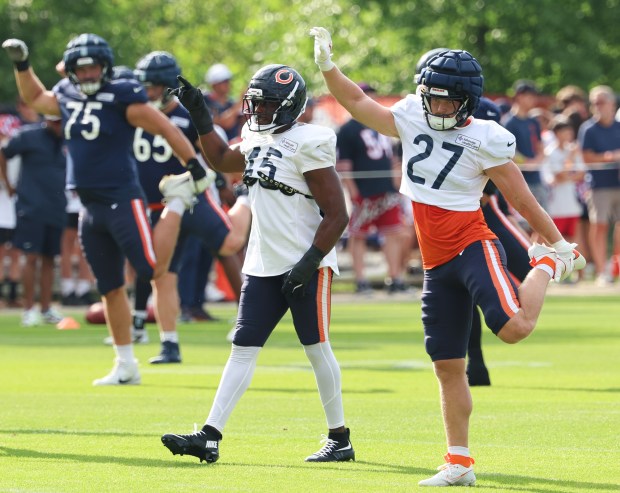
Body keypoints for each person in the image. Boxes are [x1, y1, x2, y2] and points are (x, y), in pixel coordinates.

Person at [310, 28, 585, 486]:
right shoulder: (410, 117)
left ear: (466, 101)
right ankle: (459, 462)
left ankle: (544, 268)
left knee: (514, 329)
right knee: (447, 364)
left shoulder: (488, 137)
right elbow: (358, 104)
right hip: (436, 265)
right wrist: (327, 67)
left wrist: (556, 246)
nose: (436, 108)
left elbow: (521, 199)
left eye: (446, 101)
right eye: (431, 99)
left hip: (472, 245)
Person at [159, 64, 354, 464]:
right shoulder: (253, 134)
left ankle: (340, 438)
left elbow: (338, 214)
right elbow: (220, 159)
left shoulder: (310, 141)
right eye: (256, 105)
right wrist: (200, 115)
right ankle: (209, 435)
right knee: (242, 347)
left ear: (288, 106)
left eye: (265, 106)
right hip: (263, 261)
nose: (257, 113)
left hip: (307, 263)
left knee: (316, 348)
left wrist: (310, 262)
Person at [2, 34, 213, 384]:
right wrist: (22, 65)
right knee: (110, 286)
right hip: (88, 204)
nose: (86, 75)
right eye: (79, 68)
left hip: (121, 196)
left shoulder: (122, 97)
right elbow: (35, 98)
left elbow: (163, 126)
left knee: (149, 270)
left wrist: (192, 164)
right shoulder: (67, 95)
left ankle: (175, 201)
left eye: (92, 67)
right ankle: (126, 364)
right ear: (71, 71)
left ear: (105, 67)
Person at [128, 51, 250, 363]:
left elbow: (211, 152)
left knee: (229, 243)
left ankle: (248, 198)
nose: (148, 92)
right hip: (156, 205)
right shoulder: (133, 113)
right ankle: (169, 343)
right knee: (162, 272)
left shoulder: (187, 116)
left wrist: (223, 185)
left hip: (193, 198)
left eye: (153, 87)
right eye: (145, 86)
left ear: (167, 86)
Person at [337, 82, 408, 294]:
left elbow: (393, 158)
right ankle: (361, 280)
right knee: (358, 235)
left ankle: (394, 278)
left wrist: (396, 184)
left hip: (387, 189)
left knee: (394, 233)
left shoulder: (382, 125)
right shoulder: (347, 129)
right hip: (364, 191)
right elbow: (344, 165)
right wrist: (352, 191)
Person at [0, 114, 66, 326]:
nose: (58, 125)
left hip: (57, 207)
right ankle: (28, 309)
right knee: (30, 258)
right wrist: (9, 185)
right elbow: (3, 153)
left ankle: (46, 308)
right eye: (55, 121)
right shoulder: (29, 136)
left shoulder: (68, 138)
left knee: (49, 259)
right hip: (31, 206)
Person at [578, 85, 620, 286]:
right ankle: (603, 272)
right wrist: (610, 156)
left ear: (612, 104)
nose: (597, 106)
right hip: (598, 186)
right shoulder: (588, 128)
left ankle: (616, 268)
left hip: (618, 184)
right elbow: (586, 157)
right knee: (600, 226)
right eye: (594, 102)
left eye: (601, 102)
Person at [503, 80, 547, 218]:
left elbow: (540, 147)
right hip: (517, 179)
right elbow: (508, 151)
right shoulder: (508, 122)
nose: (533, 100)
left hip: (536, 178)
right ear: (519, 96)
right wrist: (527, 162)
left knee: (543, 218)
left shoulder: (534, 121)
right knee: (522, 221)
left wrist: (536, 161)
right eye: (529, 96)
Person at [541, 115, 587, 249]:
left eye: (569, 130)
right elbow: (559, 176)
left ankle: (578, 269)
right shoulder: (550, 153)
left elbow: (581, 174)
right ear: (556, 133)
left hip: (573, 202)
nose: (568, 134)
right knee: (555, 240)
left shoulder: (573, 150)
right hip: (555, 205)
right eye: (564, 131)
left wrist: (566, 175)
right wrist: (570, 160)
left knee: (575, 238)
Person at [0, 113, 23, 309]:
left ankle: (13, 295)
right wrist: (7, 184)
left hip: (15, 207)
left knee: (15, 252)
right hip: (3, 207)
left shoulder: (16, 151)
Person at [203, 63, 243, 141]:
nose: (228, 84)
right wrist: (241, 101)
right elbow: (223, 123)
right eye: (224, 81)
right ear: (214, 84)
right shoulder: (205, 101)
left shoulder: (231, 103)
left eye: (228, 81)